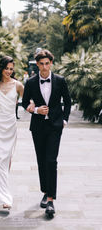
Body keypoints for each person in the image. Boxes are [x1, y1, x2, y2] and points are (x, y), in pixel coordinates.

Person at [22, 49, 71, 217]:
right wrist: (36, 109)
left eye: (47, 63)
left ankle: (50, 200)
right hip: (37, 128)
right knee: (42, 161)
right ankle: (45, 191)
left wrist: (64, 120)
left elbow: (68, 101)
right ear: (37, 64)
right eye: (41, 64)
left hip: (55, 127)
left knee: (51, 160)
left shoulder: (60, 80)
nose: (44, 67)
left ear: (51, 63)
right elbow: (23, 103)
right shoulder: (30, 82)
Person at [0, 56, 24, 210]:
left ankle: (5, 195)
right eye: (6, 68)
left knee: (5, 160)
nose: (8, 71)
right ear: (1, 68)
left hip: (9, 127)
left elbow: (28, 102)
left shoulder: (18, 86)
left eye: (11, 69)